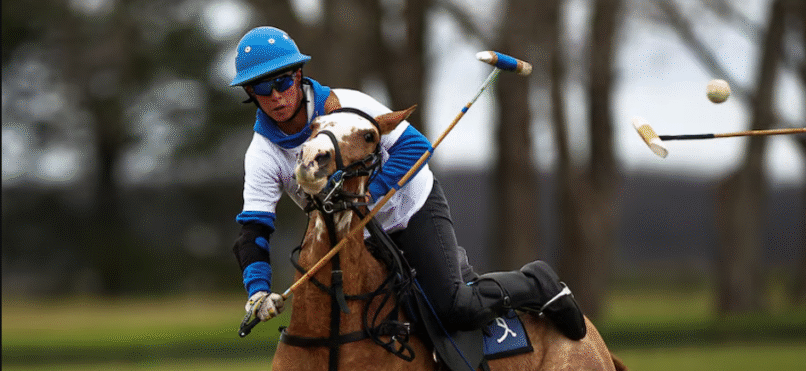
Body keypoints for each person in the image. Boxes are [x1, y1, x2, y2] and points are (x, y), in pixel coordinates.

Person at [230, 26, 586, 340]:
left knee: (453, 308)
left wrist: (372, 193)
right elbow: (254, 229)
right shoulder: (262, 155)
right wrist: (257, 290)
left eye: (282, 82)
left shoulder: (347, 104)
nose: (275, 96)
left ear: (298, 75)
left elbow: (416, 146)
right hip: (359, 238)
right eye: (262, 87)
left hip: (412, 211)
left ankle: (536, 283)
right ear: (250, 92)